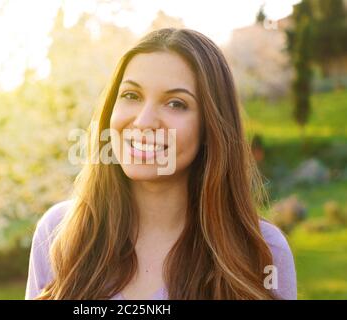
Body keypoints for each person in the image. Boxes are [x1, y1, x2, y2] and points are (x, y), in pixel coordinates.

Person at [25, 28, 297, 300]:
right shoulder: (60, 233)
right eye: (131, 96)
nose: (143, 122)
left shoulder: (262, 251)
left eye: (176, 104)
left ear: (209, 128)